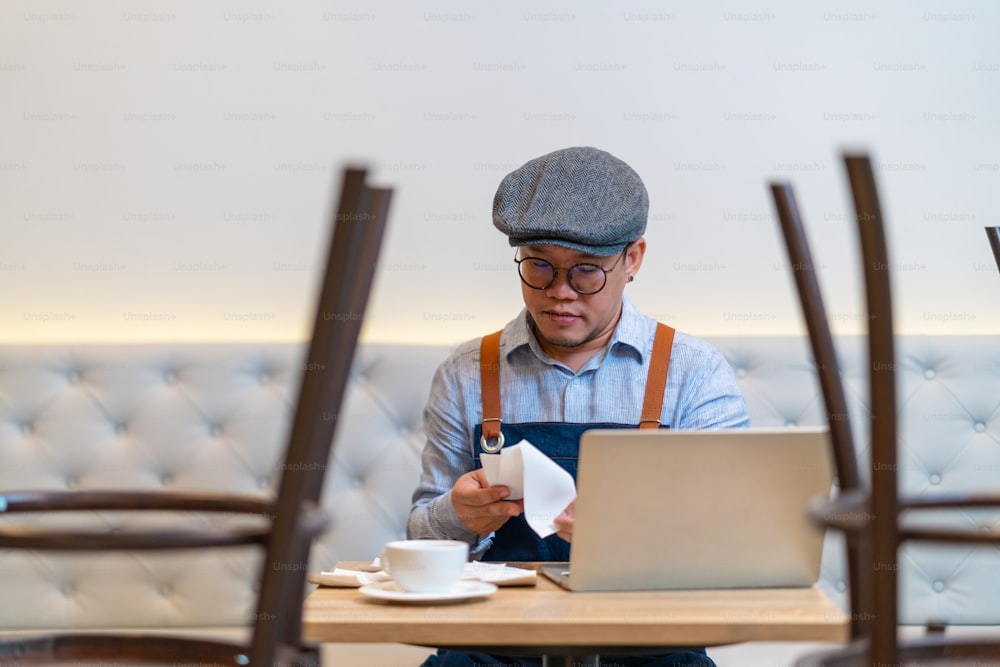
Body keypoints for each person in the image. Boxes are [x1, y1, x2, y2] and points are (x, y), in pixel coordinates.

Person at [407, 146, 750, 667]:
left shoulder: (692, 371)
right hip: (495, 644)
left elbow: (734, 544)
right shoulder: (466, 371)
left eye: (586, 271)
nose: (559, 293)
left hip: (649, 644)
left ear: (632, 258)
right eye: (539, 267)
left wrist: (633, 538)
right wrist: (458, 516)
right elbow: (420, 537)